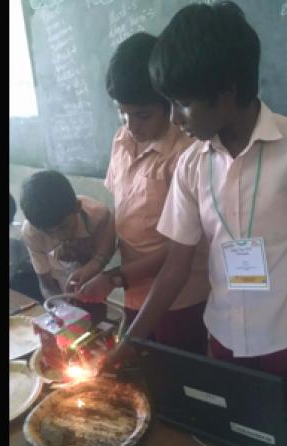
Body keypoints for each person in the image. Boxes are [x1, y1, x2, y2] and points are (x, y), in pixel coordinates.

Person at [101, 1, 287, 406]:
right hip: (221, 338)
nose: (174, 119)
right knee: (227, 429)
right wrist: (132, 339)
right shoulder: (191, 164)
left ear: (226, 95)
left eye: (183, 104)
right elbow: (175, 266)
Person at [76, 32, 211, 355]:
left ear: (170, 104)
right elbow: (119, 215)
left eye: (142, 115)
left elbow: (181, 250)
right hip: (132, 290)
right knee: (140, 369)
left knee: (177, 378)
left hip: (180, 298)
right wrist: (98, 263)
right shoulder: (122, 140)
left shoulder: (188, 154)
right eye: (122, 113)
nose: (130, 125)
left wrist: (114, 277)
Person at [19, 170, 115, 321]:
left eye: (63, 227)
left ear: (77, 207)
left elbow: (104, 254)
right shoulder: (31, 232)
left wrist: (91, 267)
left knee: (96, 318)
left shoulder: (99, 216)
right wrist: (64, 310)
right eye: (47, 232)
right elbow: (46, 285)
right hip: (57, 286)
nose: (59, 237)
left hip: (91, 283)